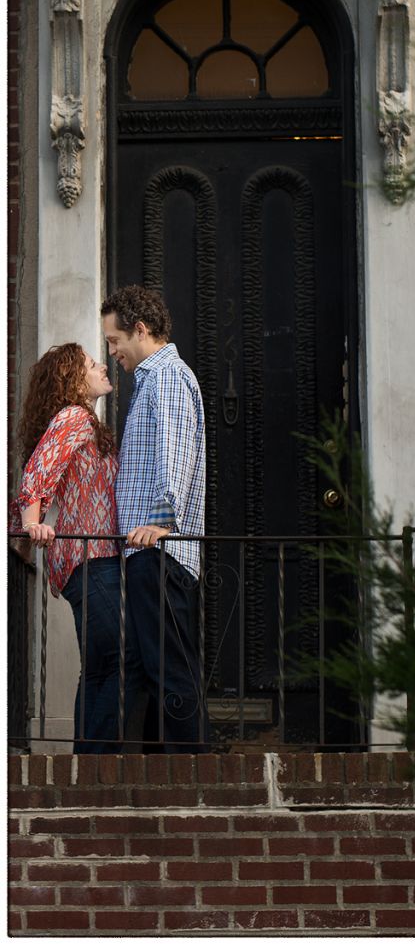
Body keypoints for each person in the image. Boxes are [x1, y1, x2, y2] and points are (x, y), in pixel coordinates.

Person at [101, 284, 209, 752]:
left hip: (158, 547)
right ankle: (164, 769)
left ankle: (192, 774)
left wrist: (164, 521)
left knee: (170, 666)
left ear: (139, 330)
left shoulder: (166, 377)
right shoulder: (153, 379)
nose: (111, 353)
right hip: (147, 546)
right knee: (156, 665)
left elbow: (175, 452)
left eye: (113, 341)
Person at [10, 343, 124, 753]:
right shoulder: (75, 417)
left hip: (88, 563)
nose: (102, 366)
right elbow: (37, 474)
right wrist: (31, 526)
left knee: (97, 668)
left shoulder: (86, 423)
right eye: (92, 364)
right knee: (122, 658)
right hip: (91, 560)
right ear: (74, 380)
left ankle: (85, 763)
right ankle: (100, 763)